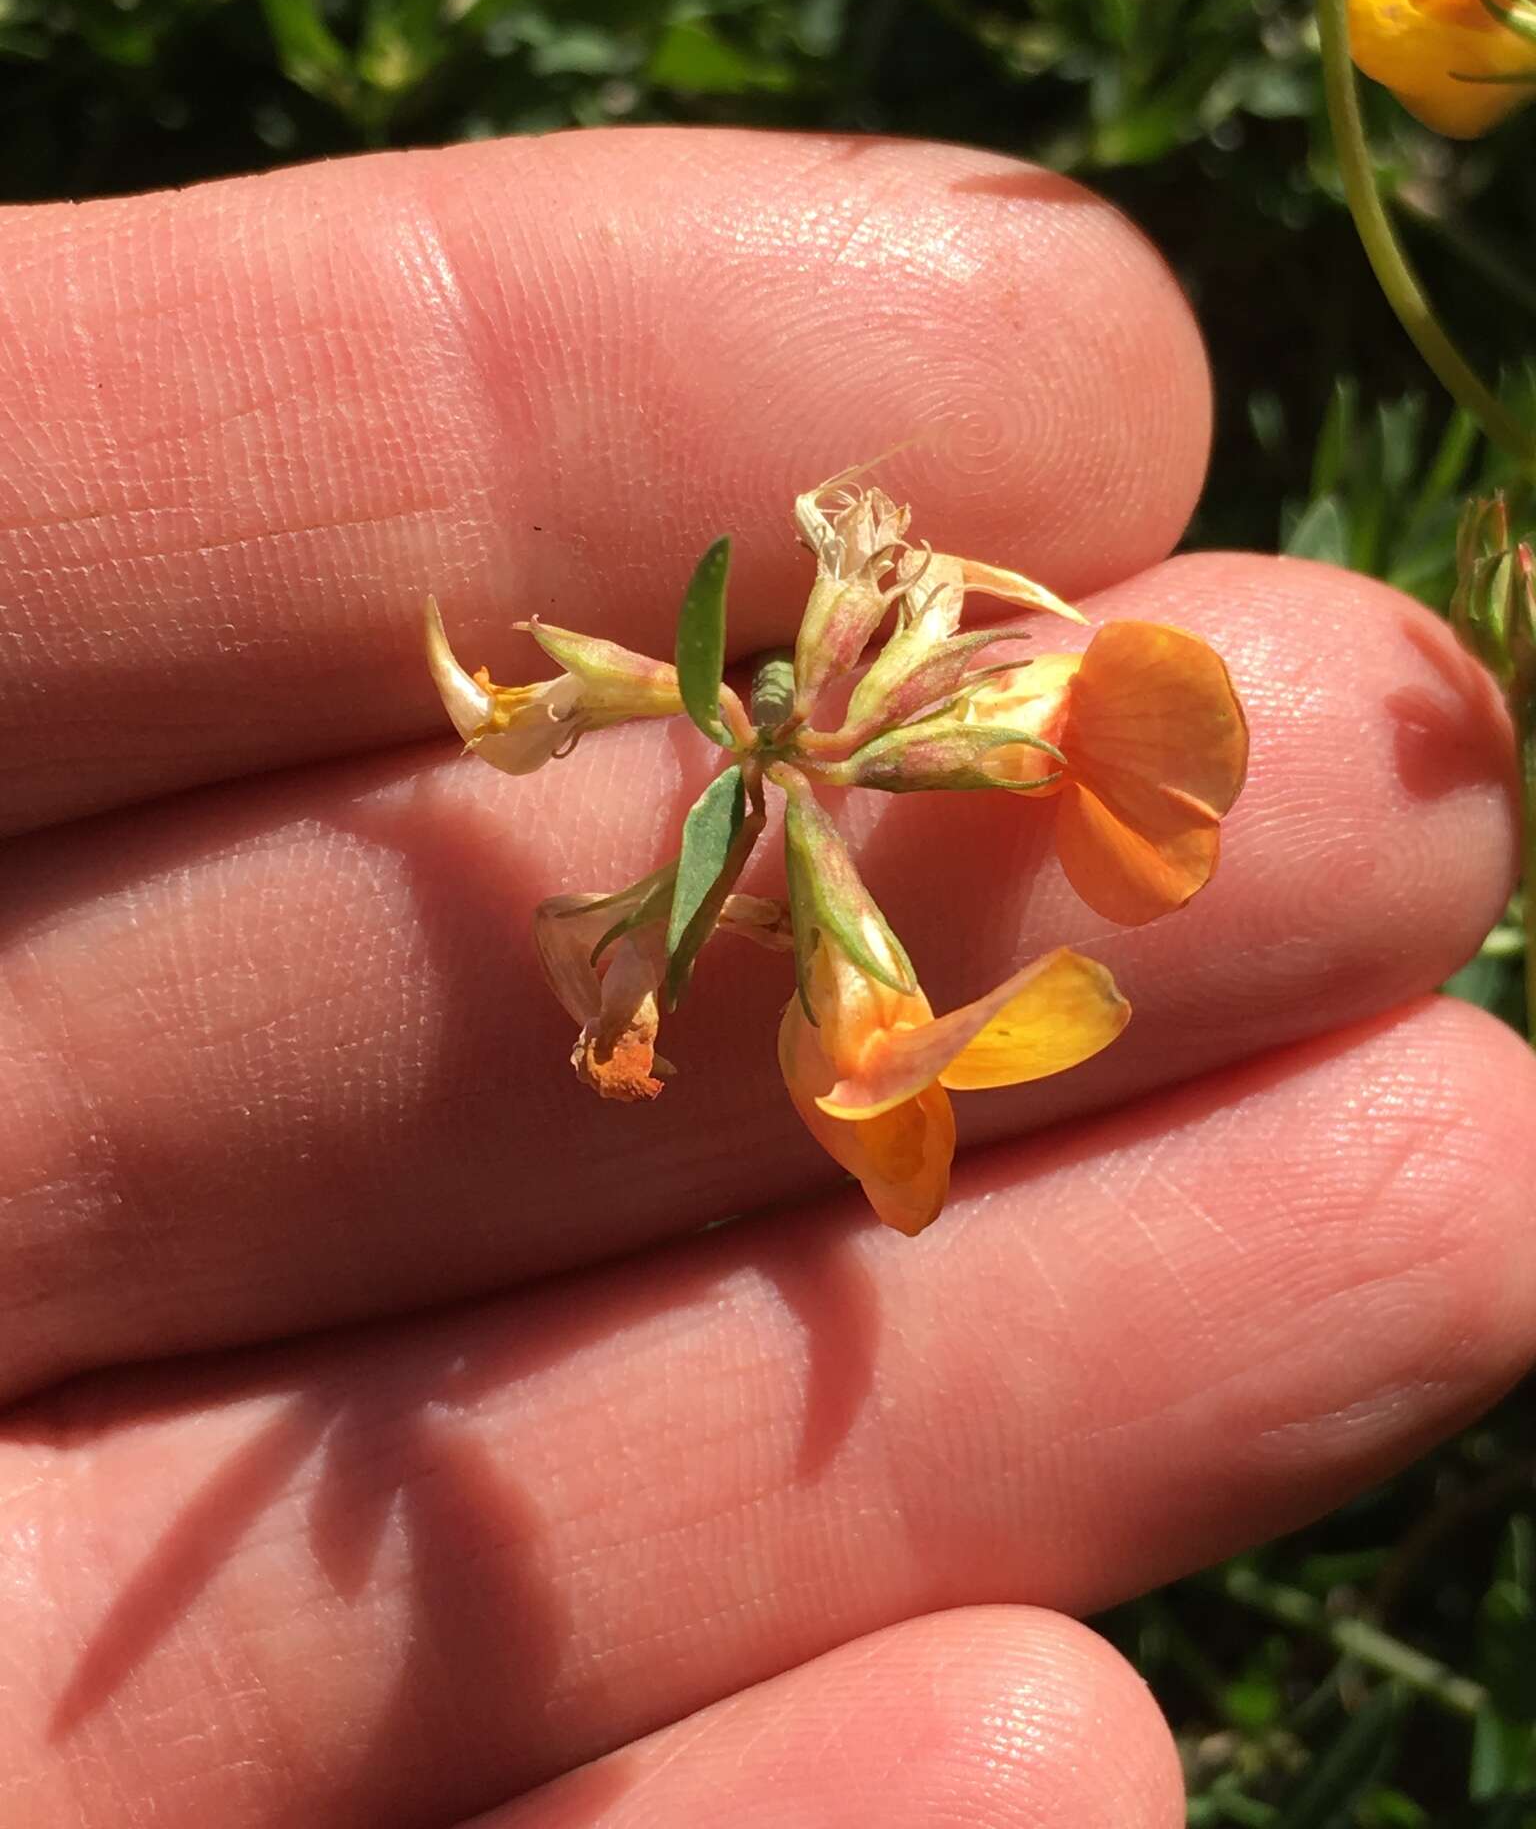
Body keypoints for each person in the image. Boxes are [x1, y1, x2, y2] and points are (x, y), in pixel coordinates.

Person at [0, 128, 1529, 1827]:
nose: (897, 1098)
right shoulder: (832, 941)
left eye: (886, 1071)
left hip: (920, 756)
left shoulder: (938, 849)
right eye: (888, 1070)